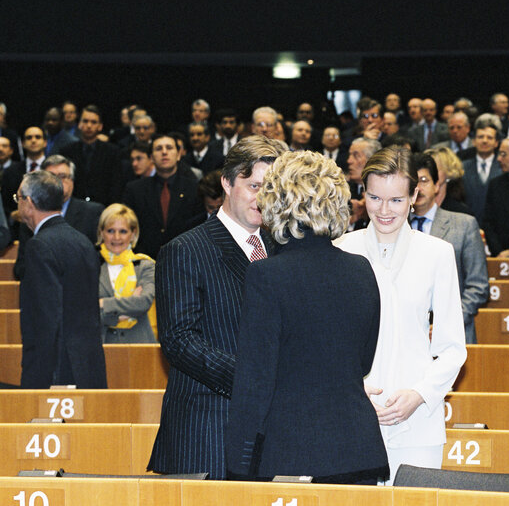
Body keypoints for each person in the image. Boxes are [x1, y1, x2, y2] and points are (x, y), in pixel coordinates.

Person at [226, 151, 389, 483]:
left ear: (276, 202)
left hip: (292, 454)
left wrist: (237, 466)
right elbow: (364, 361)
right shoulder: (361, 268)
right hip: (358, 448)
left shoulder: (266, 275)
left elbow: (255, 381)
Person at [148, 135, 287, 479]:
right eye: (254, 185)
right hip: (208, 428)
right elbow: (179, 340)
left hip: (273, 433)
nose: (263, 198)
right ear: (227, 182)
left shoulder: (281, 248)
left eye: (271, 189)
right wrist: (252, 378)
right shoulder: (186, 249)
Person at [336, 146, 467, 484]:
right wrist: (351, 389)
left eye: (396, 199)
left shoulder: (437, 253)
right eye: (375, 198)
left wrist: (419, 394)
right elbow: (329, 342)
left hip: (418, 422)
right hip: (352, 416)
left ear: (414, 195)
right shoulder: (341, 249)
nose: (384, 210)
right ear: (363, 193)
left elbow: (453, 347)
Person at [17, 170, 106, 388]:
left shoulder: (39, 246)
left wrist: (40, 377)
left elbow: (46, 318)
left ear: (28, 203)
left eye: (17, 198)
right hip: (87, 365)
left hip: (55, 371)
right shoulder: (82, 241)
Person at [409, 153, 487, 344]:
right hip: (406, 335)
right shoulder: (395, 228)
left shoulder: (464, 224)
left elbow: (478, 286)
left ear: (437, 185)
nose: (418, 188)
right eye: (412, 183)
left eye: (424, 180)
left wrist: (446, 324)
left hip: (453, 333)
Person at [14, 155, 104, 279]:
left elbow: (98, 259)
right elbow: (20, 268)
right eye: (51, 177)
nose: (57, 182)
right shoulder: (30, 216)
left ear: (72, 180)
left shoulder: (92, 212)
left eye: (62, 176)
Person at [97, 203, 156, 344]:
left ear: (133, 234)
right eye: (110, 231)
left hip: (140, 346)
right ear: (101, 233)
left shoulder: (145, 265)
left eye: (123, 231)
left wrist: (102, 303)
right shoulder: (92, 268)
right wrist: (119, 315)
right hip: (103, 347)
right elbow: (84, 313)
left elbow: (143, 302)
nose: (116, 237)